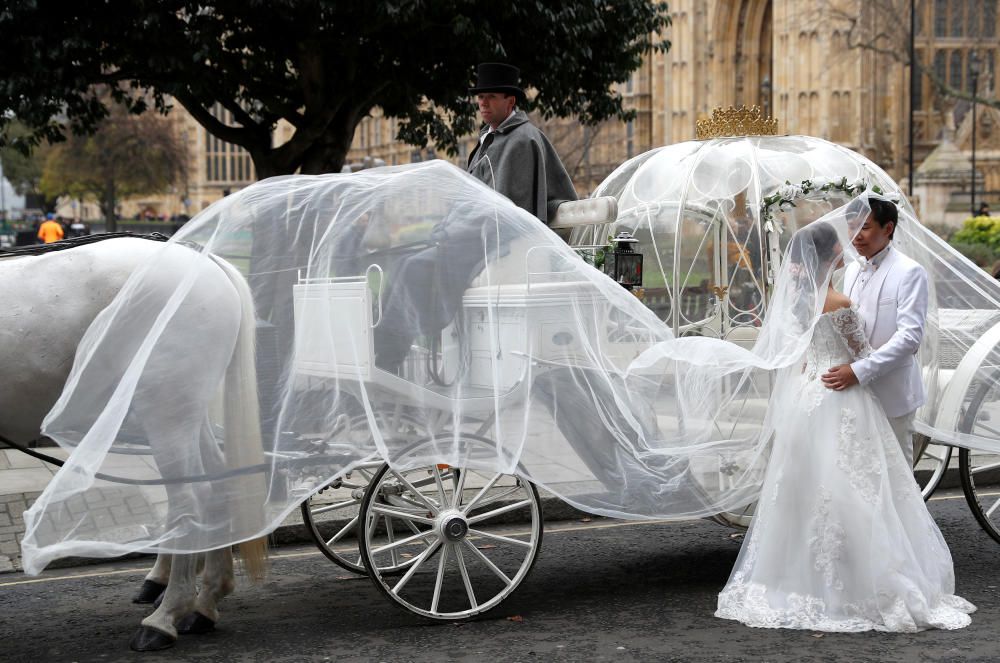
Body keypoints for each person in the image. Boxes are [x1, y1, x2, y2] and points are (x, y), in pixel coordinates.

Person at [716, 219, 975, 632]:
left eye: (864, 230)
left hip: (810, 396)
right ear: (832, 255)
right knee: (863, 489)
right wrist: (854, 362)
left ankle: (801, 578)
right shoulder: (840, 297)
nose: (852, 242)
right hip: (844, 395)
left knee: (812, 489)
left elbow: (813, 354)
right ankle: (863, 580)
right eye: (844, 241)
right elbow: (861, 348)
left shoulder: (804, 300)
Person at [822, 197, 927, 467]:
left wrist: (859, 371)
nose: (856, 236)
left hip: (892, 389)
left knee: (897, 468)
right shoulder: (853, 269)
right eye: (851, 227)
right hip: (854, 394)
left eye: (865, 227)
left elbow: (910, 338)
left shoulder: (910, 272)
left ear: (888, 228)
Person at [466, 62, 578, 225]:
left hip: (507, 241)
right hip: (482, 235)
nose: (483, 103)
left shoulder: (523, 140)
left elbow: (514, 211)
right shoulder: (487, 138)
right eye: (481, 96)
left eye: (491, 96)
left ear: (510, 102)